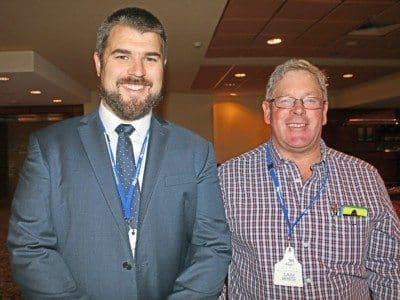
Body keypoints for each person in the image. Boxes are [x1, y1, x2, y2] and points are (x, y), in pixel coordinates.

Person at [7, 7, 231, 300]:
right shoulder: (49, 148)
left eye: (150, 58)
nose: (137, 71)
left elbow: (212, 246)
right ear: (99, 63)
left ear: (163, 65)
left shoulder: (196, 151)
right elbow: (29, 247)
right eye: (122, 56)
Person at [218, 58, 400, 299]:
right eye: (285, 100)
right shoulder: (228, 178)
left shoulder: (364, 177)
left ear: (323, 112)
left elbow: (390, 267)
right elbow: (212, 267)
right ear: (267, 111)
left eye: (310, 100)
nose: (298, 110)